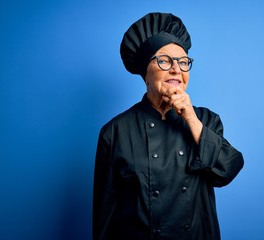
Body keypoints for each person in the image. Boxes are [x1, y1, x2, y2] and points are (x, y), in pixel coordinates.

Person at [93, 12, 244, 240]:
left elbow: (228, 169)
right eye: (164, 60)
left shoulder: (206, 121)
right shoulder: (115, 132)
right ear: (146, 72)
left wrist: (191, 119)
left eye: (183, 62)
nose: (176, 69)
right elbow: (105, 215)